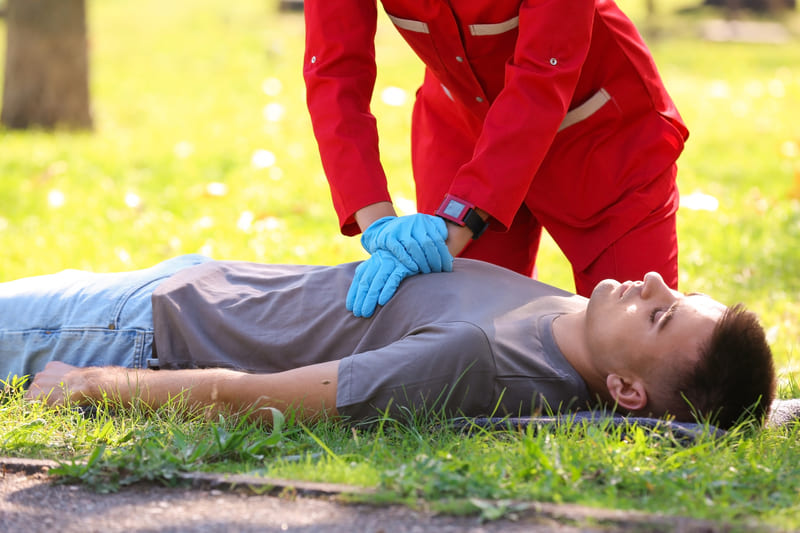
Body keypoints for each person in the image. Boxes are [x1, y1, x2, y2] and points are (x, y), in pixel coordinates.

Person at [3, 255, 775, 430]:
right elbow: (701, 408)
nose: (651, 283)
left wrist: (97, 386)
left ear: (627, 392)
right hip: (190, 281)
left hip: (137, 328)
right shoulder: (582, 326)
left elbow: (296, 398)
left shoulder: (478, 357)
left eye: (661, 315)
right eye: (676, 292)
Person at [303, 0, 690, 317]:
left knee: (639, 346)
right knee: (462, 344)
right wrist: (379, 226)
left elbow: (543, 73)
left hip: (603, 137)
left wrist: (459, 223)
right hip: (461, 131)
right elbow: (333, 72)